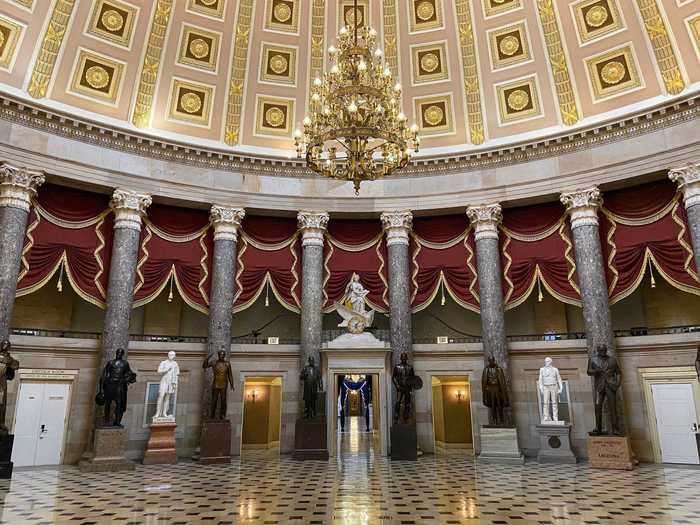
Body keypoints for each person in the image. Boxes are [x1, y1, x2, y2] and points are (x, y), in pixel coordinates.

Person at [587, 344, 622, 435]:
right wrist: (595, 371)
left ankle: (616, 429)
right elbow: (588, 371)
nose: (603, 352)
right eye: (601, 351)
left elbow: (618, 372)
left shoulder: (612, 360)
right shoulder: (593, 359)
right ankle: (598, 428)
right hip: (599, 387)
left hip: (610, 385)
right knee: (598, 407)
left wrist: (617, 383)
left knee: (613, 408)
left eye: (604, 350)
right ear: (598, 351)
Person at [98, 348, 137, 427]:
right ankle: (106, 420)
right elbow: (104, 375)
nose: (119, 354)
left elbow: (129, 373)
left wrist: (132, 377)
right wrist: (101, 390)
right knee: (108, 404)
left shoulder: (125, 363)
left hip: (120, 386)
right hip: (110, 385)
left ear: (122, 354)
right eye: (118, 352)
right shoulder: (111, 363)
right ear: (116, 353)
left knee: (119, 404)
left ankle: (117, 421)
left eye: (120, 353)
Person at [203, 350, 234, 420]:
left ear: (224, 356)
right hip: (216, 384)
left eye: (223, 355)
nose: (222, 356)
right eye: (220, 355)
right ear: (218, 355)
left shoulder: (227, 364)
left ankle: (222, 415)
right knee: (214, 400)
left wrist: (232, 384)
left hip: (224, 384)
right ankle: (212, 416)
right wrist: (207, 358)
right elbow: (204, 366)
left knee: (223, 400)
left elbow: (230, 375)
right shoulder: (214, 363)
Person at [482, 355, 509, 426]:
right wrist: (486, 388)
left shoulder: (499, 369)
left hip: (498, 389)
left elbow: (502, 381)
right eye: (490, 361)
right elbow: (484, 381)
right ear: (489, 361)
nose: (491, 362)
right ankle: (494, 421)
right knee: (492, 406)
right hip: (490, 389)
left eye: (492, 360)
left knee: (500, 405)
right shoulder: (486, 370)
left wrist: (502, 391)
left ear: (494, 361)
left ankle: (502, 420)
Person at [392, 352, 417, 424]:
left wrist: (411, 387)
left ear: (407, 358)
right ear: (400, 358)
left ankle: (406, 416)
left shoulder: (410, 367)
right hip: (400, 388)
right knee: (398, 402)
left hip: (407, 388)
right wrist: (397, 386)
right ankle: (396, 416)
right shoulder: (397, 367)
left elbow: (413, 378)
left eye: (405, 357)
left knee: (407, 403)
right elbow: (393, 378)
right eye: (402, 357)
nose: (403, 358)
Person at [0, 340, 19, 433]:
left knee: (2, 403)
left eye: (7, 344)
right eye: (3, 343)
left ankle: (1, 423)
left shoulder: (10, 359)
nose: (5, 345)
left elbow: (13, 369)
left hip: (2, 383)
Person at [155, 351, 179, 420]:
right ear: (168, 355)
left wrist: (175, 383)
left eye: (173, 355)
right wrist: (166, 369)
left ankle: (164, 413)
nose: (172, 356)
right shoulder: (164, 362)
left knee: (167, 397)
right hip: (164, 380)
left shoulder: (175, 364)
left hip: (171, 381)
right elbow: (159, 371)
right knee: (161, 396)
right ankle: (157, 413)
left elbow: (176, 374)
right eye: (171, 355)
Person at [538, 357, 563, 423]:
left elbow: (559, 379)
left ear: (551, 362)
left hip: (554, 386)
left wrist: (561, 388)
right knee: (545, 403)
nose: (547, 362)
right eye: (546, 361)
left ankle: (555, 418)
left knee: (554, 403)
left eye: (548, 361)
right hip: (546, 387)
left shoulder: (555, 369)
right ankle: (546, 417)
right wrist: (541, 388)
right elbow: (540, 380)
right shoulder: (542, 369)